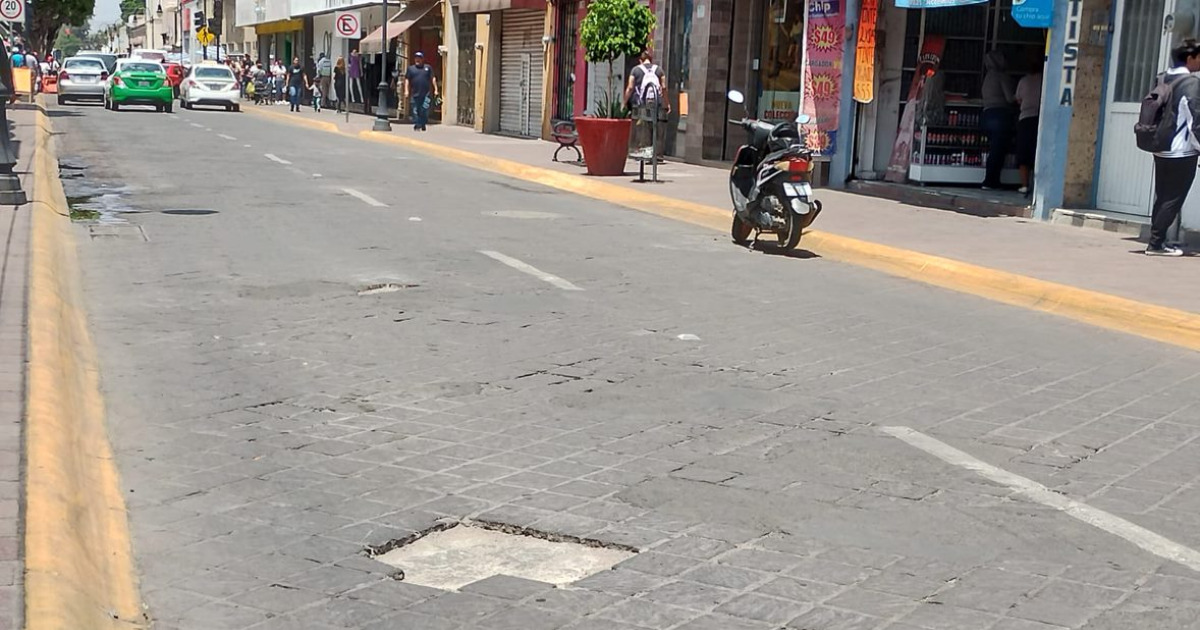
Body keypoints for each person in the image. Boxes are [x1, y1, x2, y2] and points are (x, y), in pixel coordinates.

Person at [1147, 39, 1200, 256]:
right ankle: (1156, 244)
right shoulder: (1191, 83)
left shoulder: (1164, 77)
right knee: (1173, 198)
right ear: (1190, 58)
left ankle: (1155, 241)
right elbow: (1194, 120)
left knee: (1163, 195)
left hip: (1162, 147)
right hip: (1182, 150)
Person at [980, 50, 1016, 190]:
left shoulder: (987, 77)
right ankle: (991, 181)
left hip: (987, 114)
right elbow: (1009, 98)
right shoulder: (1001, 76)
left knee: (993, 149)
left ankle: (990, 179)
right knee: (998, 150)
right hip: (1000, 115)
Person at [1014, 68, 1042, 196]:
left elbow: (1018, 99)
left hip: (1026, 117)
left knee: (1023, 152)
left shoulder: (1024, 80)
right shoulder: (1045, 78)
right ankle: (1038, 185)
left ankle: (1024, 185)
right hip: (1041, 118)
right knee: (1038, 152)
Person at [403, 51, 437, 131]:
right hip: (415, 94)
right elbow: (407, 80)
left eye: (419, 58)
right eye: (416, 58)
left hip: (426, 94)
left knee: (424, 110)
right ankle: (418, 124)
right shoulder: (411, 69)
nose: (417, 60)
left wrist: (436, 89)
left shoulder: (428, 68)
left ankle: (422, 123)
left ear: (422, 59)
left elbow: (433, 78)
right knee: (415, 110)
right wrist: (406, 91)